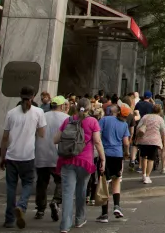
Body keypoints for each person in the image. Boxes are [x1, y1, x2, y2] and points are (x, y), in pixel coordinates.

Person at [0, 85, 47, 229]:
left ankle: (9, 219)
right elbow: (42, 134)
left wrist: (2, 157)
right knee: (27, 183)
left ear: (20, 96)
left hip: (12, 155)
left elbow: (5, 138)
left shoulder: (11, 113)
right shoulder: (38, 112)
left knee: (11, 187)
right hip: (27, 155)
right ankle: (22, 206)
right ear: (33, 97)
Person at [55, 98, 104, 233]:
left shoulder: (68, 120)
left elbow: (55, 139)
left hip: (67, 160)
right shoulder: (93, 121)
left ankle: (65, 225)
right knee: (82, 191)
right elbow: (98, 142)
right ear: (89, 108)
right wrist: (103, 159)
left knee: (67, 193)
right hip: (85, 162)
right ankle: (79, 219)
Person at [35, 96, 68, 222]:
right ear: (62, 106)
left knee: (42, 182)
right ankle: (56, 201)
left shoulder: (42, 115)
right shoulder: (66, 118)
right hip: (58, 155)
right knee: (61, 180)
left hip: (41, 153)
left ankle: (40, 210)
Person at [96, 105, 131, 223]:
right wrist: (126, 153)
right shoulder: (124, 125)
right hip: (118, 155)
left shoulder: (105, 119)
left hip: (105, 154)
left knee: (104, 183)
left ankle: (104, 214)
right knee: (116, 180)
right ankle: (117, 206)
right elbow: (126, 143)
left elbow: (97, 135)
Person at [135, 104, 165, 185]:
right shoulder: (160, 119)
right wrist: (163, 142)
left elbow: (138, 127)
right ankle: (148, 177)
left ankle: (143, 175)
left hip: (143, 140)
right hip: (154, 141)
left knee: (144, 157)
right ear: (159, 111)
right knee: (151, 159)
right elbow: (163, 132)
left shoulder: (145, 117)